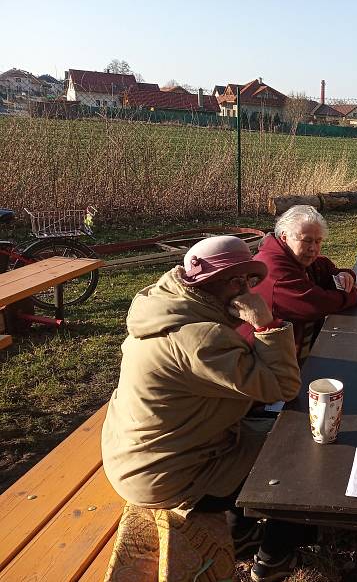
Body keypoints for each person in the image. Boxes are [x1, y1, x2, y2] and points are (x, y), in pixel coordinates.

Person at [101, 235, 310, 582]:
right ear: (206, 283)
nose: (247, 290)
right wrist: (266, 325)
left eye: (249, 279)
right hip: (167, 475)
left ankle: (240, 532)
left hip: (136, 454)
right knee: (297, 457)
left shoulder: (165, 306)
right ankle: (274, 559)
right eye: (235, 281)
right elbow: (284, 386)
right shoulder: (200, 338)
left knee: (268, 430)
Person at [242, 205, 357, 362]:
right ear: (284, 237)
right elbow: (314, 305)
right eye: (307, 240)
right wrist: (354, 293)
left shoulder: (294, 257)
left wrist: (344, 275)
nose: (313, 248)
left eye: (318, 241)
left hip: (294, 349)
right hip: (265, 360)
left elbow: (324, 268)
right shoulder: (272, 268)